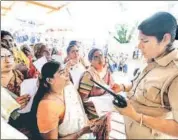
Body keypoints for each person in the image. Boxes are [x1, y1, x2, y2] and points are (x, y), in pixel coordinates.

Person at [114, 12, 178, 139]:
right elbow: (138, 83)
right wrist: (122, 87)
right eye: (139, 40)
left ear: (165, 39)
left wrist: (136, 116)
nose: (139, 46)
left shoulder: (174, 74)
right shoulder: (151, 60)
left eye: (145, 41)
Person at [31, 61, 92, 139]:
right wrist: (82, 132)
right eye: (62, 72)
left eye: (66, 71)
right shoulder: (47, 106)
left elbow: (79, 111)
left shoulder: (68, 87)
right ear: (50, 80)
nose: (67, 74)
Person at [78, 48, 123, 139]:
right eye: (96, 57)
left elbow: (112, 89)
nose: (100, 59)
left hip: (106, 115)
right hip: (94, 118)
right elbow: (82, 99)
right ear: (90, 61)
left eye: (101, 56)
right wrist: (99, 102)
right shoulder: (88, 75)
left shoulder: (107, 72)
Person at [1, 42, 32, 138]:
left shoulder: (23, 74)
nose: (7, 60)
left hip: (30, 122)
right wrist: (11, 105)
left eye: (9, 56)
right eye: (1, 57)